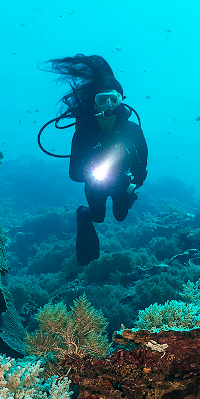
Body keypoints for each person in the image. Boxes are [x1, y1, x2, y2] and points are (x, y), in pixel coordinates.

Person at [44, 55, 148, 264]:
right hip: (95, 185)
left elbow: (143, 160)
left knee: (120, 216)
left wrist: (135, 183)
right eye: (102, 100)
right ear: (93, 104)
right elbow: (74, 173)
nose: (108, 105)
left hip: (123, 185)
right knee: (96, 216)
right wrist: (92, 171)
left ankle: (125, 199)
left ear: (121, 100)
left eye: (113, 99)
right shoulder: (83, 132)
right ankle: (82, 215)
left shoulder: (132, 130)